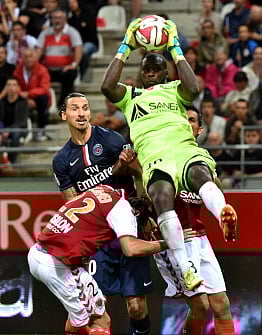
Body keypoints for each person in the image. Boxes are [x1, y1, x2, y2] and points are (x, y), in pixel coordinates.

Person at [101, 18, 238, 291]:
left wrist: (175, 48)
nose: (151, 72)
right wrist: (126, 46)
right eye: (147, 69)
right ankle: (187, 268)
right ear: (141, 72)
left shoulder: (175, 90)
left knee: (200, 173)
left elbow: (194, 89)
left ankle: (223, 212)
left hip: (183, 147)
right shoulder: (131, 96)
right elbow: (107, 86)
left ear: (166, 73)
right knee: (162, 196)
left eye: (157, 69)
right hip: (154, 156)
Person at [52, 92, 153, 335]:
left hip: (129, 230)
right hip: (99, 241)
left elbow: (140, 172)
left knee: (136, 307)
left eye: (85, 108)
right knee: (94, 308)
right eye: (75, 108)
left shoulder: (111, 140)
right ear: (64, 115)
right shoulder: (62, 161)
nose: (82, 113)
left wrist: (146, 209)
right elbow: (73, 207)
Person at [27, 184, 168, 335]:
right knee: (84, 320)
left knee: (98, 318)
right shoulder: (124, 212)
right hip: (56, 263)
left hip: (46, 255)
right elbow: (131, 249)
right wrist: (169, 242)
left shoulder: (103, 189)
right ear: (138, 214)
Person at [153, 106, 236, 335]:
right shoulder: (158, 153)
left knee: (222, 305)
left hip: (200, 238)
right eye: (181, 119)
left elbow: (216, 190)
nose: (185, 123)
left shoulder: (202, 160)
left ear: (199, 129)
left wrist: (210, 177)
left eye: (190, 120)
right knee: (201, 306)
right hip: (175, 241)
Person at [36, 9, 83, 107]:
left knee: (70, 74)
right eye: (55, 18)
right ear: (51, 20)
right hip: (48, 69)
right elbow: (38, 51)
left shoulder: (72, 32)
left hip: (65, 68)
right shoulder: (45, 33)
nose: (57, 20)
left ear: (65, 19)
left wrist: (73, 65)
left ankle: (62, 104)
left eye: (60, 18)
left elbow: (78, 49)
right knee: (37, 73)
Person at [14, 47, 51, 141]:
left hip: (37, 98)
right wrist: (25, 98)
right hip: (23, 97)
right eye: (26, 57)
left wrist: (28, 94)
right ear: (22, 58)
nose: (28, 59)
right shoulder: (18, 70)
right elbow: (14, 85)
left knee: (43, 98)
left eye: (30, 56)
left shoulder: (42, 70)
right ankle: (20, 132)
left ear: (35, 57)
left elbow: (44, 88)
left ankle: (41, 129)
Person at [67, 0, 99, 81]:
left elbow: (91, 31)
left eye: (73, 2)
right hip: (76, 44)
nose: (71, 5)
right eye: (70, 3)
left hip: (90, 42)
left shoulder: (89, 16)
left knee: (83, 51)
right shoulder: (71, 19)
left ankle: (82, 73)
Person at [0, 76, 29, 163]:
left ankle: (12, 161)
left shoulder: (23, 102)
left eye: (14, 85)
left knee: (15, 134)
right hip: (4, 128)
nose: (11, 88)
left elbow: (22, 121)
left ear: (18, 87)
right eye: (9, 85)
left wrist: (9, 130)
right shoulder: (2, 102)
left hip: (19, 128)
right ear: (5, 87)